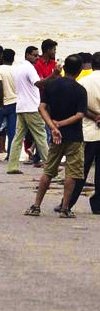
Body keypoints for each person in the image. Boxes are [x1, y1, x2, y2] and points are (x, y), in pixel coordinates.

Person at [24, 55, 88, 217]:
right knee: (72, 173)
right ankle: (65, 208)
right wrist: (62, 124)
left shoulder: (52, 86)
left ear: (64, 67)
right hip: (74, 136)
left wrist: (53, 126)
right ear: (80, 70)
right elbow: (80, 114)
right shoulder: (80, 90)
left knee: (49, 171)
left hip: (55, 137)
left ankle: (36, 206)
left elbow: (42, 108)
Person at [7, 46, 51, 174]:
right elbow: (38, 83)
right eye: (34, 55)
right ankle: (50, 167)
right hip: (31, 107)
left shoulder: (19, 68)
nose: (37, 57)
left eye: (38, 55)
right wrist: (53, 76)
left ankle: (12, 166)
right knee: (41, 136)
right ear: (27, 55)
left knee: (18, 137)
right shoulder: (29, 68)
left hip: (21, 106)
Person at [67, 51, 100, 214]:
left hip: (88, 131)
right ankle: (98, 205)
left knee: (80, 170)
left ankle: (68, 202)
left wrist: (95, 117)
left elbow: (78, 107)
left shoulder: (84, 81)